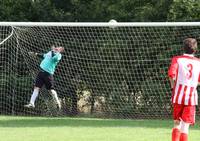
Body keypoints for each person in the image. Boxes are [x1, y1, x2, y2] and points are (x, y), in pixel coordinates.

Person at [168, 38, 200, 141]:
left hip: (178, 96)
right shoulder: (198, 62)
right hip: (191, 98)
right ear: (195, 49)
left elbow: (171, 75)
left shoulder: (177, 59)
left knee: (177, 122)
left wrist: (173, 87)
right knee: (185, 126)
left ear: (183, 48)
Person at [24, 46, 64, 110]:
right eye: (57, 47)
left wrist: (53, 51)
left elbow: (54, 58)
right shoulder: (50, 52)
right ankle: (31, 103)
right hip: (41, 73)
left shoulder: (59, 55)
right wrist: (35, 54)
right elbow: (44, 56)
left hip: (48, 74)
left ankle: (57, 102)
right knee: (36, 87)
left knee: (51, 90)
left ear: (61, 50)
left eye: (59, 48)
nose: (57, 48)